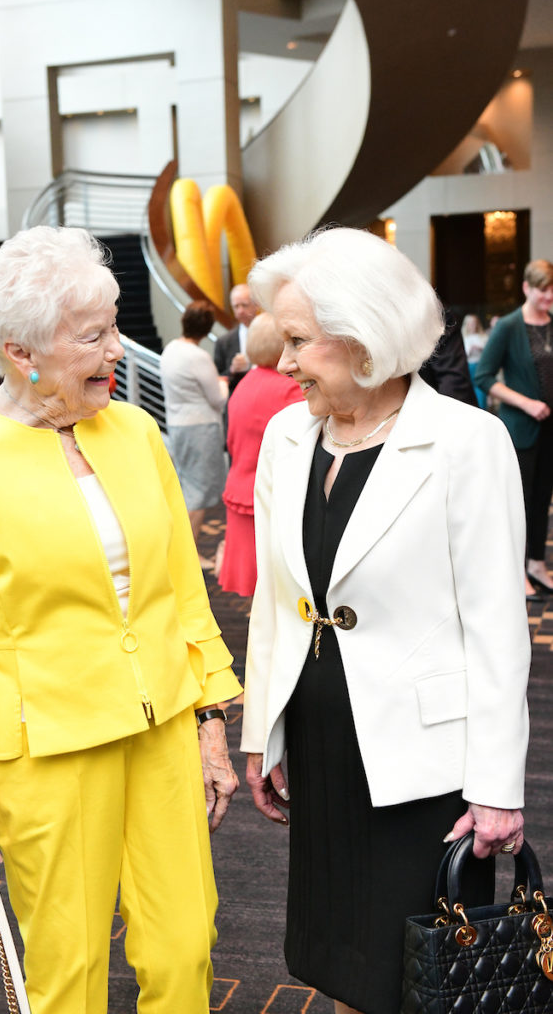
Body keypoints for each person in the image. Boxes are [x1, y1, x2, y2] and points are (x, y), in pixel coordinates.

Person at [0, 226, 241, 1014]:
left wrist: (210, 720)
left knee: (186, 946)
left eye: (113, 327)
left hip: (160, 724)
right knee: (67, 969)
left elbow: (183, 589)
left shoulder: (137, 434)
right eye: (94, 336)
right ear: (22, 352)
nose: (117, 349)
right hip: (44, 745)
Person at [240, 227, 530, 1014]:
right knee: (339, 954)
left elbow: (498, 625)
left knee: (423, 969)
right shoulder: (286, 435)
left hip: (425, 764)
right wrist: (262, 730)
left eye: (298, 340)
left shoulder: (467, 442)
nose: (282, 360)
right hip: (320, 740)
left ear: (364, 336)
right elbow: (277, 600)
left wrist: (498, 787)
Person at [475, 259, 553, 600]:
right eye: (543, 290)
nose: (549, 297)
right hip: (521, 429)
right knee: (516, 503)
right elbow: (484, 377)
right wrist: (526, 403)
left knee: (542, 500)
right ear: (526, 288)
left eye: (552, 290)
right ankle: (517, 570)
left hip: (549, 430)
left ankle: (537, 563)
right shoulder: (508, 326)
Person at [218, 312, 302, 596]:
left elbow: (230, 440)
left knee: (258, 595)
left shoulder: (245, 383)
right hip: (271, 497)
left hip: (241, 486)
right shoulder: (292, 389)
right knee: (278, 594)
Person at [160, 300, 228, 569]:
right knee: (198, 494)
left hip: (177, 425)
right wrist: (224, 385)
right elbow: (217, 399)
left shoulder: (170, 350)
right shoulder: (198, 356)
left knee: (188, 489)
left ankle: (181, 549)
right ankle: (191, 555)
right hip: (200, 427)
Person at [213, 283, 259, 394]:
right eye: (236, 306)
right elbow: (217, 378)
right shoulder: (224, 341)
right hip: (238, 395)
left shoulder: (271, 333)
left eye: (244, 305)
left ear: (256, 304)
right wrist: (232, 369)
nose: (240, 311)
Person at [461, 313, 489, 407]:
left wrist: (479, 348)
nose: (472, 325)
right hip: (468, 367)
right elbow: (462, 355)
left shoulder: (483, 337)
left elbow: (488, 352)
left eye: (473, 323)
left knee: (481, 391)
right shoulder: (463, 338)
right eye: (469, 323)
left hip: (480, 366)